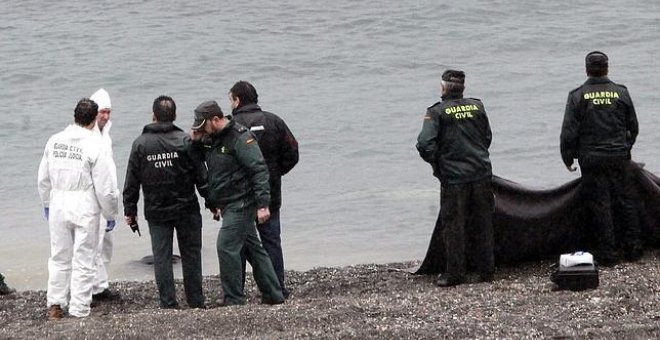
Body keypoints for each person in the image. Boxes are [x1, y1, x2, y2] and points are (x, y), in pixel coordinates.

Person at [191, 100, 284, 306]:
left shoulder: (241, 137)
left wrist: (262, 204)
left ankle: (234, 298)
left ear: (215, 120)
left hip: (241, 202)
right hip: (226, 202)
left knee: (225, 246)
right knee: (253, 250)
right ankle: (274, 293)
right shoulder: (212, 139)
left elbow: (259, 170)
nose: (202, 130)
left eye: (202, 126)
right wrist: (195, 140)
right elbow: (197, 157)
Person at [123, 95, 208, 309]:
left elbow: (132, 181)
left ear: (153, 116)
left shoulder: (140, 144)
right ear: (175, 116)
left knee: (161, 257)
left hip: (156, 209)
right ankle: (196, 301)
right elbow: (201, 175)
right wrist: (212, 201)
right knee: (191, 254)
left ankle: (168, 303)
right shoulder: (185, 141)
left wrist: (129, 210)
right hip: (186, 207)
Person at [38, 98, 118, 319]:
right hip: (84, 204)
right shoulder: (95, 145)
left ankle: (55, 303)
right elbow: (105, 186)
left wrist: (46, 202)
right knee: (84, 258)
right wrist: (110, 212)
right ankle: (79, 308)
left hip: (58, 202)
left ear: (74, 116)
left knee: (59, 256)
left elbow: (43, 178)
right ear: (93, 119)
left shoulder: (54, 141)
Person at [560, 51, 642, 265]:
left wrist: (568, 158)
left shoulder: (577, 95)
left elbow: (569, 132)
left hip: (592, 159)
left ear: (587, 70)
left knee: (600, 205)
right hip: (618, 157)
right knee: (625, 202)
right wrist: (626, 148)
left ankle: (608, 254)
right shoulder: (621, 92)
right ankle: (634, 249)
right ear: (607, 68)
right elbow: (633, 127)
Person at [416, 70, 495, 287]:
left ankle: (455, 273)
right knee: (483, 222)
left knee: (454, 225)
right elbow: (487, 137)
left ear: (443, 88)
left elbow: (424, 144)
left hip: (454, 178)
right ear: (463, 88)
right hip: (480, 172)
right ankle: (487, 270)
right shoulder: (477, 106)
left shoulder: (436, 112)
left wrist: (439, 164)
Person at [228, 81, 299, 298]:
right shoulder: (274, 121)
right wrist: (275, 173)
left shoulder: (231, 126)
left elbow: (221, 162)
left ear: (237, 100)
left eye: (230, 99)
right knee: (271, 242)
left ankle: (236, 292)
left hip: (238, 196)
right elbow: (293, 152)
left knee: (237, 244)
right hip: (270, 193)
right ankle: (276, 287)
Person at [89, 88, 121, 302]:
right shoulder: (87, 137)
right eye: (103, 112)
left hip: (107, 198)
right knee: (93, 245)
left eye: (109, 112)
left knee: (106, 244)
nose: (106, 116)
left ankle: (101, 283)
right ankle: (94, 288)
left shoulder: (106, 135)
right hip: (92, 200)